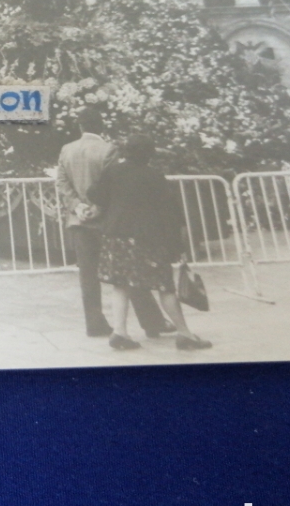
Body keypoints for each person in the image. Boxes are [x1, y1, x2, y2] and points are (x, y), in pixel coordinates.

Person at [88, 134, 212, 351]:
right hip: (147, 239)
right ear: (149, 154)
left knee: (121, 284)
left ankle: (120, 333)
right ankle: (184, 334)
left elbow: (94, 195)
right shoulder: (154, 176)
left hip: (116, 236)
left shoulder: (113, 171)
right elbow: (169, 215)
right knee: (165, 286)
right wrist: (177, 247)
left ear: (125, 151)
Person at [56, 112, 174, 338]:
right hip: (108, 222)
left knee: (88, 276)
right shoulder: (109, 150)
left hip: (78, 221)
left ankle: (95, 324)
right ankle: (152, 321)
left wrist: (78, 206)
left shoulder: (67, 149)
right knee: (128, 272)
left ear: (80, 127)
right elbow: (112, 185)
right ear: (101, 126)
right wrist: (96, 209)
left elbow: (62, 182)